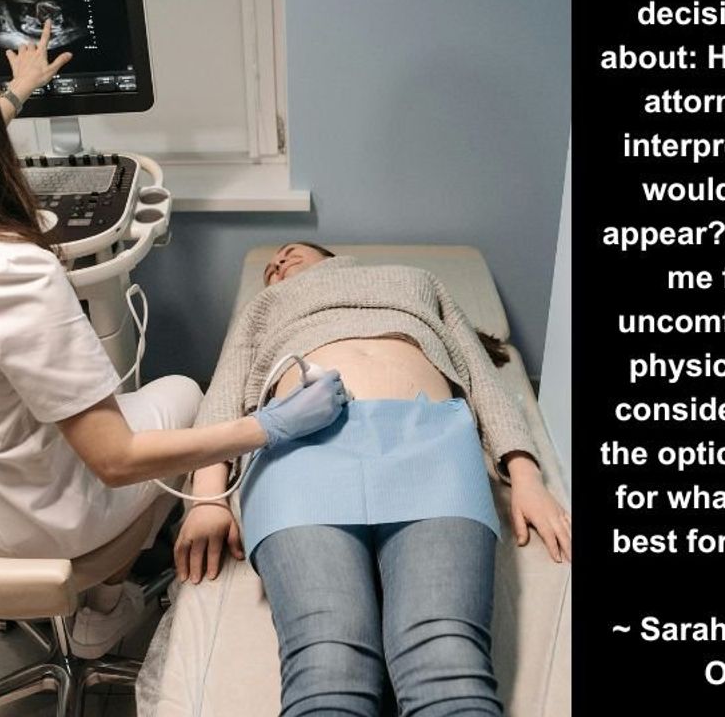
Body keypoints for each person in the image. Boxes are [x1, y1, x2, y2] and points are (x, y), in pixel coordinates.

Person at [0, 8, 346, 659]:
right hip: (42, 529)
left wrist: (17, 92)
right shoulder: (10, 273)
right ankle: (103, 608)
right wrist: (268, 427)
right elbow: (115, 460)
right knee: (184, 390)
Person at [176, 242, 571, 716]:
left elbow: (481, 377)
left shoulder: (415, 280)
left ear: (330, 256)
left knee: (446, 662)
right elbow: (224, 392)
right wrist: (206, 499)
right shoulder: (264, 306)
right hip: (301, 455)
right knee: (328, 665)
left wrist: (525, 473)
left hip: (431, 448)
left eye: (289, 252)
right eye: (272, 267)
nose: (279, 263)